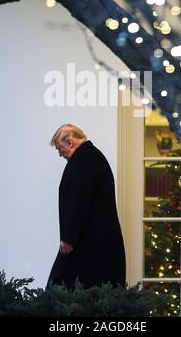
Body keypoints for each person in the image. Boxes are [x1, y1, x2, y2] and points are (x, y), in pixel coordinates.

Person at [47, 124, 126, 290]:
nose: (60, 154)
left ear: (70, 143)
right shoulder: (90, 157)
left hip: (89, 244)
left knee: (59, 289)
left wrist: (68, 237)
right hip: (93, 242)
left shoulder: (85, 161)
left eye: (60, 149)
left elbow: (79, 199)